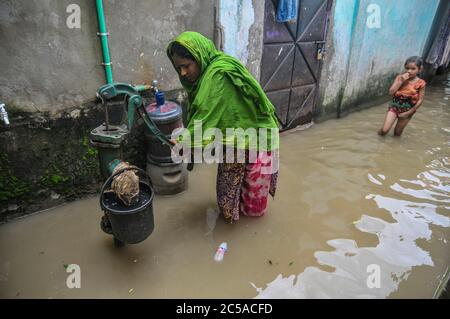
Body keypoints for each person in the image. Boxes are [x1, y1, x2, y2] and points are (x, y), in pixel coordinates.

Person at [166, 31, 280, 222]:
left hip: (256, 140)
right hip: (235, 140)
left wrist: (182, 140)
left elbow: (205, 115)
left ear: (199, 57)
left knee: (253, 208)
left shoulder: (218, 74)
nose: (183, 73)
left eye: (186, 66)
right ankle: (235, 230)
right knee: (228, 197)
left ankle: (246, 239)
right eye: (178, 68)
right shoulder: (209, 73)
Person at [378, 56, 426, 137]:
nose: (409, 71)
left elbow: (420, 100)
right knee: (384, 130)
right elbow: (391, 92)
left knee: (397, 134)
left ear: (419, 69)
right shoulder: (400, 77)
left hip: (408, 110)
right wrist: (401, 81)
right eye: (407, 68)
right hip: (394, 107)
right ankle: (378, 137)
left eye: (413, 69)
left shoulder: (421, 83)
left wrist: (408, 112)